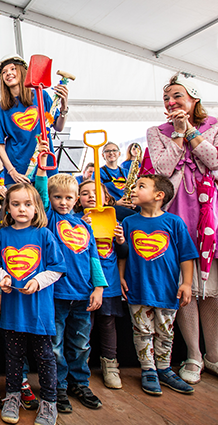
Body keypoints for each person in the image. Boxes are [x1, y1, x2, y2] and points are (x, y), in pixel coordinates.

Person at [147, 73, 218, 385]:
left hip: (209, 216)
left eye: (177, 96)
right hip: (175, 214)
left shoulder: (214, 126)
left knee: (211, 291)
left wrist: (190, 132)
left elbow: (215, 161)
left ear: (194, 98)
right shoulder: (156, 132)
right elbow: (162, 170)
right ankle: (194, 355)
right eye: (166, 98)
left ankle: (214, 355)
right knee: (184, 289)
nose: (170, 102)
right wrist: (177, 134)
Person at [35, 156, 107, 413]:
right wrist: (42, 167)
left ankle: (80, 383)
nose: (63, 202)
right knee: (54, 345)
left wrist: (98, 288)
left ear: (76, 199)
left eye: (68, 198)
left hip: (83, 295)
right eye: (58, 197)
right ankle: (58, 386)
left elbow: (93, 257)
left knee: (80, 344)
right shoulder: (49, 220)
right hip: (56, 295)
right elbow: (41, 194)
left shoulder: (84, 225)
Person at [0, 183, 65, 425]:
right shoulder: (2, 235)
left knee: (44, 357)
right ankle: (12, 396)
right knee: (13, 356)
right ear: (8, 208)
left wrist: (37, 281)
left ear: (36, 208)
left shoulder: (44, 235)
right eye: (16, 204)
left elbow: (57, 268)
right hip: (13, 311)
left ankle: (49, 402)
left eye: (27, 204)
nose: (22, 209)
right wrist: (3, 277)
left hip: (39, 312)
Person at [119, 174, 198, 395]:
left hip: (167, 290)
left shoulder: (174, 222)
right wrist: (121, 277)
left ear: (158, 195)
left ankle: (164, 369)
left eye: (141, 186)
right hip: (138, 288)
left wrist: (187, 283)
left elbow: (186, 255)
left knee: (165, 331)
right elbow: (123, 254)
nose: (133, 190)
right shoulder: (129, 223)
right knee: (142, 331)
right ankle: (148, 370)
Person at [74, 180, 127, 389]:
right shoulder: (74, 221)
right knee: (83, 326)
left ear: (107, 198)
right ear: (78, 199)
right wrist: (81, 227)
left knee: (107, 323)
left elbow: (123, 254)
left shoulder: (114, 221)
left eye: (96, 192)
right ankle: (80, 366)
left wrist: (121, 242)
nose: (91, 196)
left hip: (109, 283)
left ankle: (110, 365)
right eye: (85, 193)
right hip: (84, 283)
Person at [0, 54, 69, 186]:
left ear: (22, 71)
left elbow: (58, 127)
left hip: (45, 165)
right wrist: (11, 171)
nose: (8, 73)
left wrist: (63, 106)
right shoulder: (1, 108)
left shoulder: (41, 95)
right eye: (4, 72)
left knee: (45, 199)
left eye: (13, 69)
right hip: (17, 172)